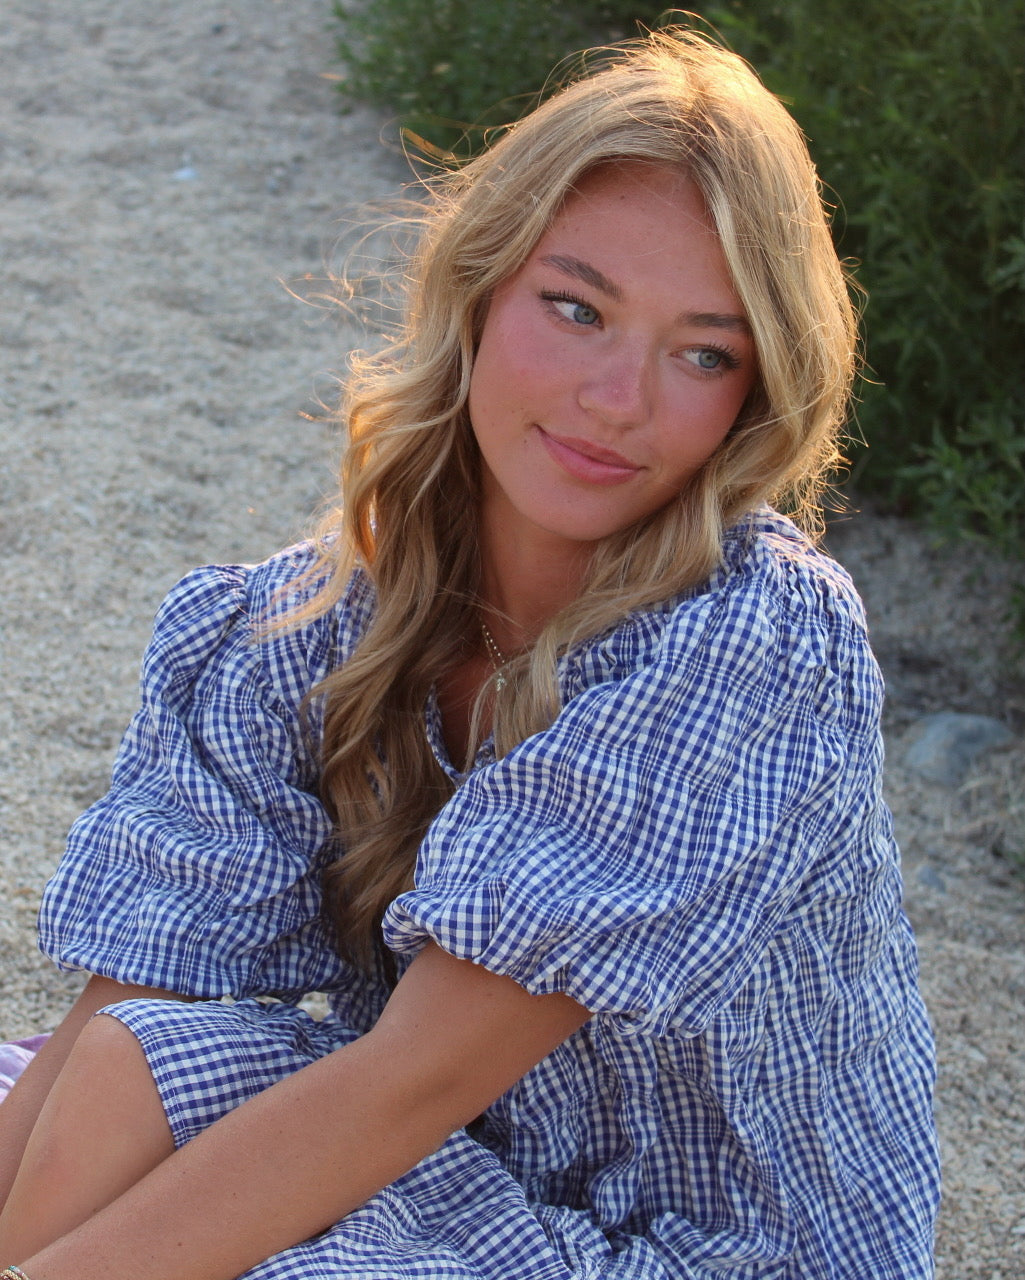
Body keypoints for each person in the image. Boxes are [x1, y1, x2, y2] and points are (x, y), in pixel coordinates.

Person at [0, 27, 939, 1279]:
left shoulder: (754, 646)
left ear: (752, 393)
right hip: (467, 1180)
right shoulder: (312, 622)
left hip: (711, 1249)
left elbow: (408, 1080)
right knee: (120, 1069)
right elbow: (133, 1001)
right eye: (577, 307)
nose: (619, 397)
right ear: (482, 288)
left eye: (701, 351)